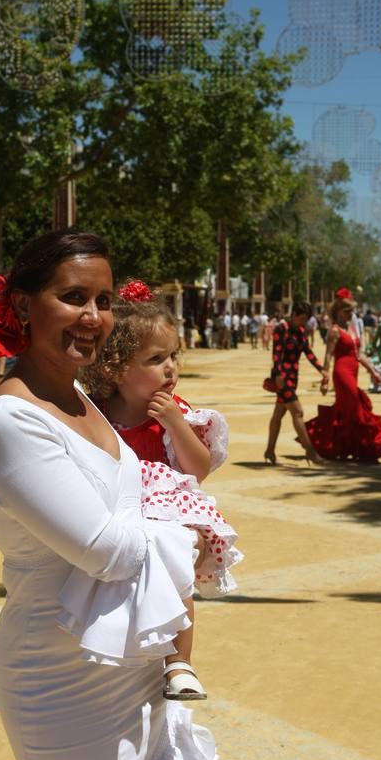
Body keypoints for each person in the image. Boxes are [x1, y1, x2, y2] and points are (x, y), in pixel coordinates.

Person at [0, 230, 216, 760]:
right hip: (62, 681)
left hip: (135, 662)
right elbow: (108, 551)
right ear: (24, 304)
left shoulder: (78, 396)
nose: (94, 316)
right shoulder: (12, 420)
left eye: (103, 300)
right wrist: (189, 534)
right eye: (74, 297)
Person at [63, 279, 240, 702]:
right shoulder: (95, 411)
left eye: (173, 356)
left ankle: (179, 661)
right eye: (157, 359)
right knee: (70, 568)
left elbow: (197, 470)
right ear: (116, 369)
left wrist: (177, 426)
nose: (171, 369)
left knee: (174, 562)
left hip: (162, 507)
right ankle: (48, 660)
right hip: (110, 506)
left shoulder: (175, 412)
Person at [305, 292, 381, 462]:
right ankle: (364, 447)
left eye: (352, 312)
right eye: (348, 311)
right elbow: (328, 356)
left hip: (354, 372)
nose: (351, 315)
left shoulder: (352, 328)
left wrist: (373, 371)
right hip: (342, 373)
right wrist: (325, 381)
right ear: (339, 311)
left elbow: (358, 354)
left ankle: (347, 446)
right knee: (355, 406)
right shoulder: (334, 331)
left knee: (345, 410)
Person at [263, 301, 329, 466]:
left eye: (305, 320)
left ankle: (269, 451)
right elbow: (276, 354)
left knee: (278, 414)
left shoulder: (300, 331)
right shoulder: (281, 329)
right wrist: (278, 374)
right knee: (298, 412)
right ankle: (310, 451)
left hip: (293, 378)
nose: (303, 322)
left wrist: (322, 369)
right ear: (293, 315)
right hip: (282, 378)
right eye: (301, 319)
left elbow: (308, 352)